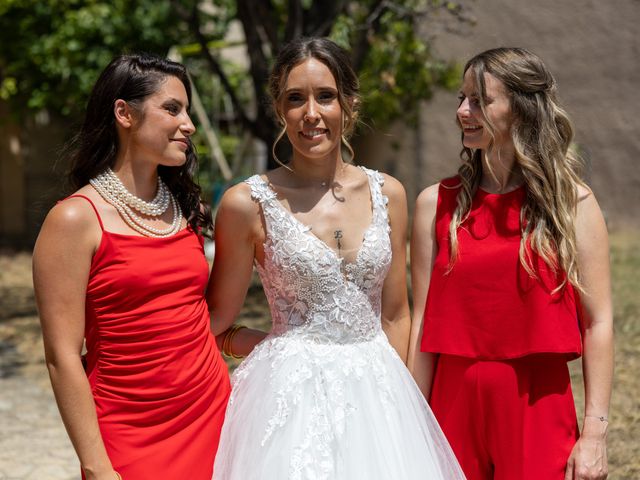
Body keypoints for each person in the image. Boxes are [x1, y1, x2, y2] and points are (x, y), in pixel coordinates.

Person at [207, 37, 465, 479]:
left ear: (349, 104)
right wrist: (278, 345)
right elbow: (216, 325)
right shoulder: (245, 203)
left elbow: (396, 314)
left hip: (381, 396)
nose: (311, 114)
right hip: (288, 401)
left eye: (325, 96)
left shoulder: (390, 193)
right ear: (278, 109)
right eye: (295, 99)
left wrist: (401, 408)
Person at [409, 47, 613, 480]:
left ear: (521, 108)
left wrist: (594, 435)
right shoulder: (435, 204)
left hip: (537, 403)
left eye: (480, 101)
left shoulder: (572, 204)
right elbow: (422, 323)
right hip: (451, 402)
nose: (464, 111)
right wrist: (412, 422)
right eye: (462, 99)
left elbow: (598, 323)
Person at [32, 54, 231, 480]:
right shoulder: (73, 220)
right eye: (172, 109)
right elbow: (61, 356)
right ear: (124, 113)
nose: (189, 125)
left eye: (188, 111)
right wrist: (97, 466)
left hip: (213, 412)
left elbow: (203, 317)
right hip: (127, 430)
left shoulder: (188, 207)